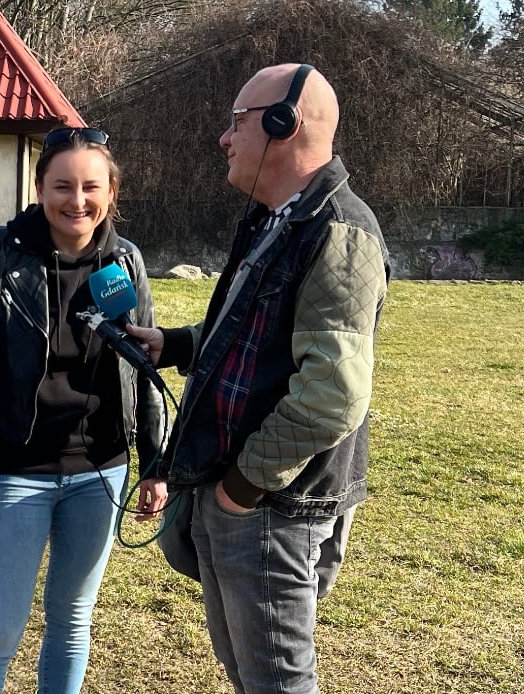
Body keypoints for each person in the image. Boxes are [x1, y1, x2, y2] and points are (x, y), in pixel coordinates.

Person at [126, 63, 390, 694]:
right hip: (243, 493)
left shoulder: (338, 232)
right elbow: (257, 334)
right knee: (249, 672)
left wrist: (241, 489)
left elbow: (332, 396)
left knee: (277, 681)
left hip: (273, 503)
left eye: (237, 121)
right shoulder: (280, 218)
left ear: (283, 124)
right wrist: (177, 344)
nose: (224, 137)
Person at [0, 127, 167, 694]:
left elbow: (141, 362)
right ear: (39, 188)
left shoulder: (126, 261)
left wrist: (155, 461)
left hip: (101, 468)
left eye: (92, 186)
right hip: (19, 468)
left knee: (72, 621)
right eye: (62, 186)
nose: (77, 200)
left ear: (112, 192)